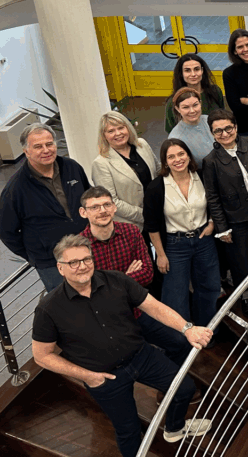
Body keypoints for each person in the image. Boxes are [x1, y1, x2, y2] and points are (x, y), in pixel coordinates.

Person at [32, 234, 213, 457]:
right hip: (103, 376)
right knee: (128, 431)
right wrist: (87, 376)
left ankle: (174, 429)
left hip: (142, 356)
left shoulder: (116, 280)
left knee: (183, 389)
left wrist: (187, 328)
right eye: (73, 262)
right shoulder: (48, 308)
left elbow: (153, 307)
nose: (82, 266)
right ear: (60, 268)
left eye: (86, 259)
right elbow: (42, 356)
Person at [78, 186, 191, 366]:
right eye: (95, 207)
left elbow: (147, 273)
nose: (102, 211)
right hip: (109, 321)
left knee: (180, 341)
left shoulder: (131, 232)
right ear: (83, 212)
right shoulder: (78, 248)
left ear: (114, 207)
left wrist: (109, 283)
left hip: (139, 309)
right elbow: (88, 291)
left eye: (107, 204)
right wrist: (127, 277)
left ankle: (171, 381)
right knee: (128, 361)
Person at [0, 123, 90, 291]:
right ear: (26, 152)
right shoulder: (15, 189)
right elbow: (6, 232)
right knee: (69, 309)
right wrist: (36, 256)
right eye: (38, 146)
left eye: (49, 144)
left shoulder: (71, 167)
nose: (46, 150)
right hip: (52, 263)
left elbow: (88, 198)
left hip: (88, 250)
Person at [201, 109, 248, 318]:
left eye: (228, 128)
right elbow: (212, 197)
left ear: (235, 127)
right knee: (241, 261)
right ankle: (246, 296)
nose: (224, 134)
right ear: (212, 134)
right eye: (218, 131)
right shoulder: (211, 161)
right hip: (235, 219)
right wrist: (222, 228)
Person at [143, 139, 220, 326]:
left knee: (209, 287)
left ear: (188, 155)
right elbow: (152, 226)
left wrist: (211, 223)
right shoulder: (156, 187)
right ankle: (181, 340)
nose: (177, 159)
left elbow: (216, 202)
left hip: (204, 240)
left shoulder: (202, 176)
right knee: (175, 295)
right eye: (171, 157)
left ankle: (207, 331)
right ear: (165, 161)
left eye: (181, 154)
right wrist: (160, 255)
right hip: (175, 245)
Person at [91, 111, 158, 230]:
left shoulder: (142, 145)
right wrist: (146, 214)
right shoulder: (101, 163)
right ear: (104, 135)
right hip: (132, 226)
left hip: (159, 215)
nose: (118, 133)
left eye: (121, 128)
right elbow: (111, 201)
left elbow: (158, 171)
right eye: (111, 131)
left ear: (128, 128)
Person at [163, 53, 225, 133]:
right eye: (187, 70)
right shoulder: (173, 101)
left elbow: (223, 117)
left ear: (202, 70)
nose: (193, 74)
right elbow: (171, 131)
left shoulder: (215, 91)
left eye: (196, 69)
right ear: (181, 74)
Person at [167, 87, 216, 168]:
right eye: (185, 107)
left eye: (195, 105)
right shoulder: (176, 138)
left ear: (200, 103)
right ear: (177, 109)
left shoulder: (210, 120)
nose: (192, 111)